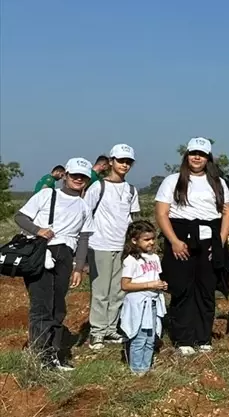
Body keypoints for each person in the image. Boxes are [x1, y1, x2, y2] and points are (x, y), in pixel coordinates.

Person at [154, 139, 229, 356]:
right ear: (186, 155)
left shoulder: (218, 182)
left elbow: (227, 213)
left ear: (208, 158)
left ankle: (203, 336)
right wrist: (174, 241)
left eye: (202, 154)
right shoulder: (172, 181)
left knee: (206, 288)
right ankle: (183, 338)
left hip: (209, 238)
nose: (197, 158)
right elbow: (161, 213)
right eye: (193, 153)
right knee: (183, 288)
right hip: (181, 237)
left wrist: (220, 242)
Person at [15, 157, 95, 370]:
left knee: (58, 306)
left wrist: (79, 267)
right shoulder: (47, 195)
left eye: (83, 176)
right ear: (65, 176)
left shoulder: (84, 206)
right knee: (41, 304)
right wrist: (38, 230)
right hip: (41, 253)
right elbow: (20, 217)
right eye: (75, 175)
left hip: (65, 255)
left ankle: (55, 353)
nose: (79, 179)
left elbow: (84, 238)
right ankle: (41, 356)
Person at [84, 143, 141, 349]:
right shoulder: (98, 187)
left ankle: (110, 328)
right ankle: (97, 331)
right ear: (111, 162)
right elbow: (85, 214)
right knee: (101, 290)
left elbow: (133, 219)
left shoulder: (131, 190)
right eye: (121, 161)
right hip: (100, 244)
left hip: (122, 246)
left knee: (118, 290)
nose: (125, 165)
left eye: (128, 162)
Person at [118, 220, 166, 375]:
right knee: (139, 337)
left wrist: (160, 285)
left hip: (152, 302)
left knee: (150, 338)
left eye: (153, 238)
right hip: (138, 304)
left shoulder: (154, 258)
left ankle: (146, 367)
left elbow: (154, 277)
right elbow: (125, 285)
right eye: (146, 239)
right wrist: (149, 285)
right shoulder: (131, 260)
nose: (151, 242)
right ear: (134, 240)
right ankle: (137, 370)